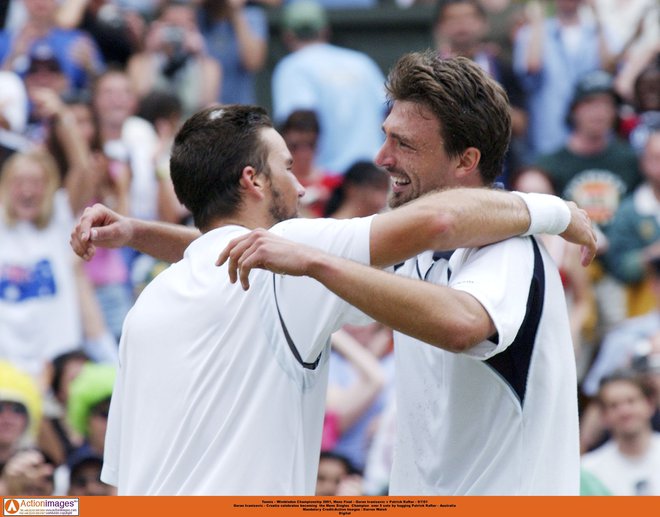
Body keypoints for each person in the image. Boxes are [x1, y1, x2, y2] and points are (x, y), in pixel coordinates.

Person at [70, 101, 596, 494]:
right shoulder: (296, 254)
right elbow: (439, 220)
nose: (301, 189)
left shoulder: (148, 306)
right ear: (252, 180)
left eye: (403, 143)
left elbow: (219, 251)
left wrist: (139, 232)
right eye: (288, 168)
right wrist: (559, 212)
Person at [219, 52, 591, 495]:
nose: (382, 157)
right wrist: (136, 232)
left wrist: (319, 264)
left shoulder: (511, 249)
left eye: (405, 144)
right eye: (386, 137)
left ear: (465, 159)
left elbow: (463, 325)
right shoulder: (410, 246)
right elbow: (251, 249)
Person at [271, 0, 386, 174]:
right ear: (325, 31)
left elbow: (299, 125)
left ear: (288, 35)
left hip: (329, 182)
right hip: (374, 178)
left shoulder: (292, 67)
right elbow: (389, 110)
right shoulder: (362, 62)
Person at [581, 371, 660, 495]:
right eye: (614, 405)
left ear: (649, 404)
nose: (625, 411)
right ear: (603, 416)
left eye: (631, 401)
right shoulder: (589, 471)